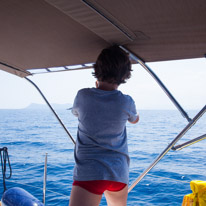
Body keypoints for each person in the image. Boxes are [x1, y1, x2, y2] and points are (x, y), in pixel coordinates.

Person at [69, 45, 139, 206]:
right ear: (124, 75)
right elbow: (135, 119)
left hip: (90, 172)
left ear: (97, 69)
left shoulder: (83, 96)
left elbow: (76, 113)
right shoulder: (126, 101)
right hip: (118, 174)